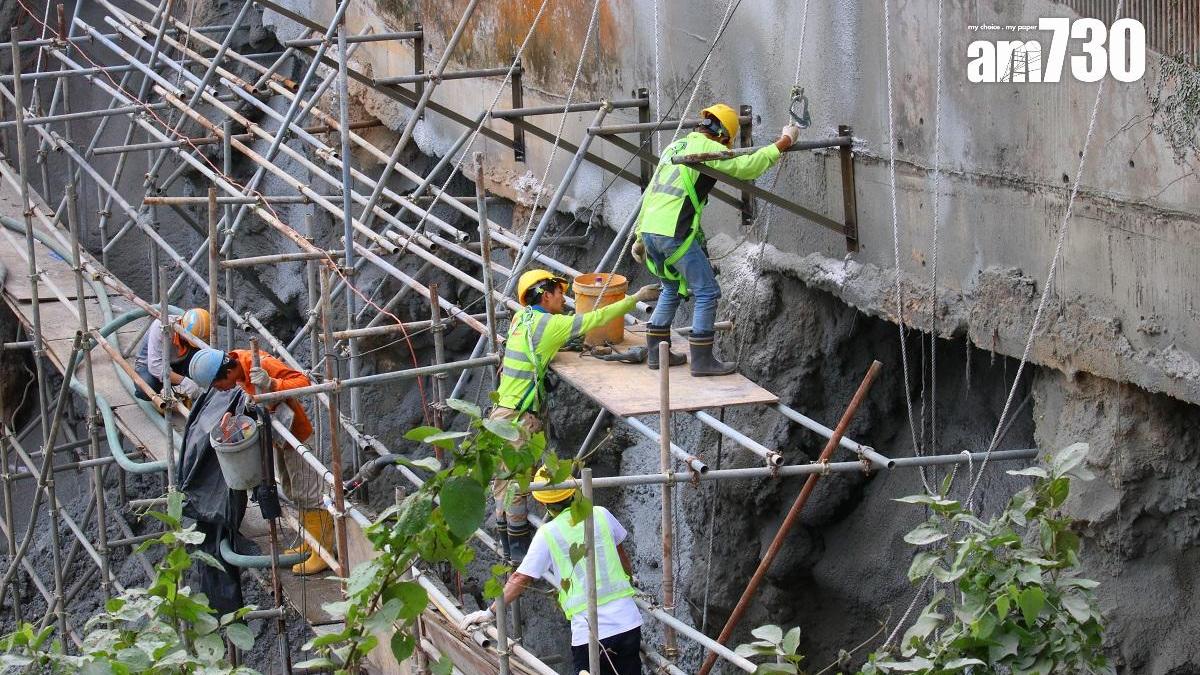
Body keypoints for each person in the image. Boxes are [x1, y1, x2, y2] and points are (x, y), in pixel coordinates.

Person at [490, 269, 660, 562]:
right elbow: (595, 319)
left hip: (502, 413)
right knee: (518, 484)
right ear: (546, 295)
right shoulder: (550, 324)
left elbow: (544, 346)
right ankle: (518, 554)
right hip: (520, 418)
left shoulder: (521, 318)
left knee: (503, 481)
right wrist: (634, 298)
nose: (564, 298)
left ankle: (508, 545)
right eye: (559, 292)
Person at [633, 103, 801, 375]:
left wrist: (639, 234)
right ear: (724, 134)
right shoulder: (709, 149)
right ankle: (701, 361)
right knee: (707, 291)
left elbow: (651, 191)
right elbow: (747, 167)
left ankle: (656, 354)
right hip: (673, 234)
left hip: (651, 232)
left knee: (671, 289)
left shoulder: (674, 147)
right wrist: (784, 141)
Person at [459, 467, 643, 675]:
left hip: (590, 632)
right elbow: (623, 558)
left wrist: (490, 612)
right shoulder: (601, 514)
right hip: (628, 622)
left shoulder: (549, 533)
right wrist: (630, 580)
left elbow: (521, 578)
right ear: (575, 491)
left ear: (543, 502)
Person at [188, 346, 330, 575]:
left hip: (296, 435)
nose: (219, 390)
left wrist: (272, 384)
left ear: (224, 373)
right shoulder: (238, 367)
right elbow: (251, 398)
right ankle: (311, 542)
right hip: (279, 437)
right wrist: (233, 414)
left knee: (309, 492)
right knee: (293, 491)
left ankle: (323, 552)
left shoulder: (258, 364)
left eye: (217, 385)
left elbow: (304, 382)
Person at [133, 308, 209, 401]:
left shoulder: (199, 334)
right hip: (149, 366)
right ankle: (160, 398)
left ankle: (196, 398)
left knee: (203, 361)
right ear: (182, 325)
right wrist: (185, 382)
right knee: (146, 387)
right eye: (189, 340)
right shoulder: (162, 326)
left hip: (178, 362)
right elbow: (156, 367)